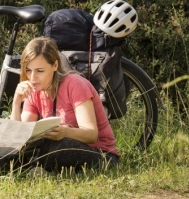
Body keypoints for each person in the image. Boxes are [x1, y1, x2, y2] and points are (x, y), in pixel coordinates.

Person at [10, 37, 119, 171]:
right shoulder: (34, 90)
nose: (32, 77)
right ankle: (33, 166)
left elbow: (91, 135)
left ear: (55, 65)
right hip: (57, 147)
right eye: (28, 70)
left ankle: (35, 166)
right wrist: (16, 102)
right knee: (7, 151)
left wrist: (65, 132)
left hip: (99, 154)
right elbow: (19, 138)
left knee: (54, 148)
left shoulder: (75, 84)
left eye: (40, 71)